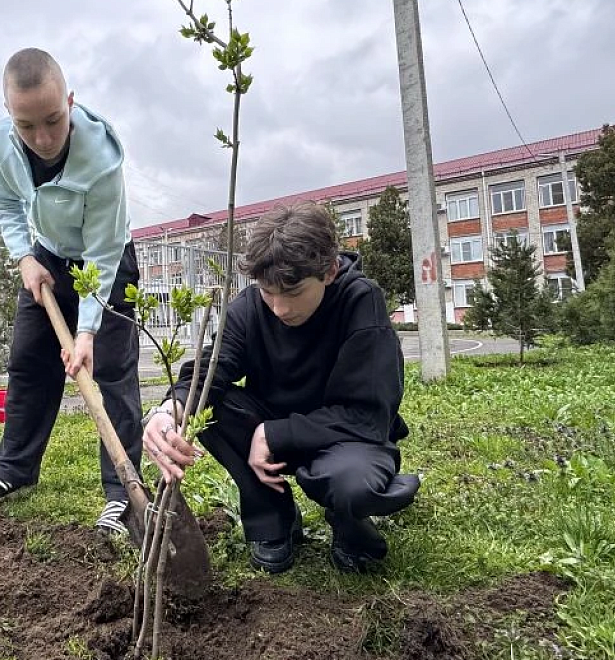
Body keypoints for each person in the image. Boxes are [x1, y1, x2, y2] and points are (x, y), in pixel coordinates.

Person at [143, 202, 420, 573]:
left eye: (293, 292)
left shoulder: (361, 302)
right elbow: (212, 369)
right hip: (273, 430)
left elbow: (368, 414)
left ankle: (350, 524)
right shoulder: (250, 307)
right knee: (211, 407)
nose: (279, 308)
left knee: (351, 483)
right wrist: (170, 410)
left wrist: (275, 433)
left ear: (329, 271)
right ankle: (273, 521)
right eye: (267, 292)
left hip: (346, 438)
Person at [0, 48, 142, 535]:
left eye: (54, 121)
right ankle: (14, 470)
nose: (42, 139)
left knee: (112, 373)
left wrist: (87, 333)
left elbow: (102, 254)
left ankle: (122, 494)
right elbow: (7, 204)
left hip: (106, 260)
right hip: (48, 256)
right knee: (28, 361)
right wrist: (25, 257)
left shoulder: (101, 159)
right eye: (26, 125)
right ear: (9, 114)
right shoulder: (0, 143)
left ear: (70, 102)